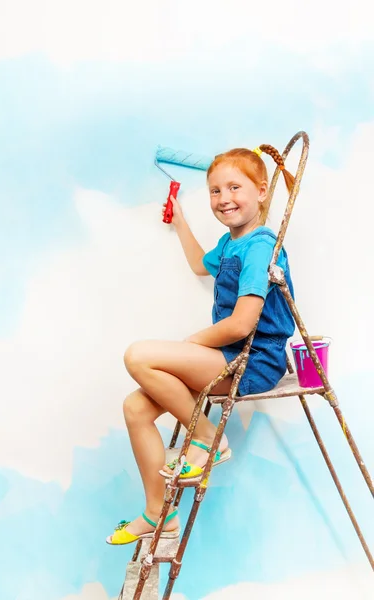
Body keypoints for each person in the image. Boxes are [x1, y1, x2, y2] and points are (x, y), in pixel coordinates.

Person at [106, 145, 295, 545]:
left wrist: (192, 344)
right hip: (229, 356)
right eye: (214, 190)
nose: (223, 198)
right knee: (135, 407)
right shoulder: (231, 244)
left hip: (254, 360)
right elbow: (199, 264)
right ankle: (159, 514)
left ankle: (208, 438)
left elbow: (243, 322)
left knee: (138, 355)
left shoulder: (260, 244)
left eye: (234, 187)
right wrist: (179, 220)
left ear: (262, 191)